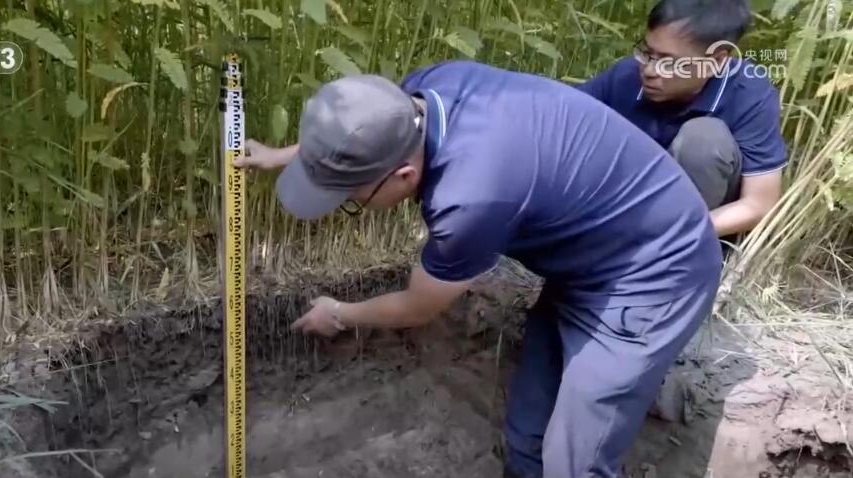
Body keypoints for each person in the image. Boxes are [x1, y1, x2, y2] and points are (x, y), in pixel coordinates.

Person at [236, 60, 723, 477]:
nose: (351, 202)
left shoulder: (468, 201)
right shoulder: (429, 89)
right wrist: (287, 157)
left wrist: (339, 313)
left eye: (352, 198)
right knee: (527, 435)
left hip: (657, 271)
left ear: (404, 176)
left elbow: (418, 307)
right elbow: (361, 131)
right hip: (594, 254)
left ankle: (642, 378)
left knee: (574, 462)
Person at [578, 0, 788, 247]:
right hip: (624, 211)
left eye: (668, 62)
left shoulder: (747, 94)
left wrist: (672, 232)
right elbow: (558, 122)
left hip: (698, 229)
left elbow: (759, 206)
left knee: (702, 139)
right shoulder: (626, 77)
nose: (650, 70)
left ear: (716, 61)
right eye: (647, 53)